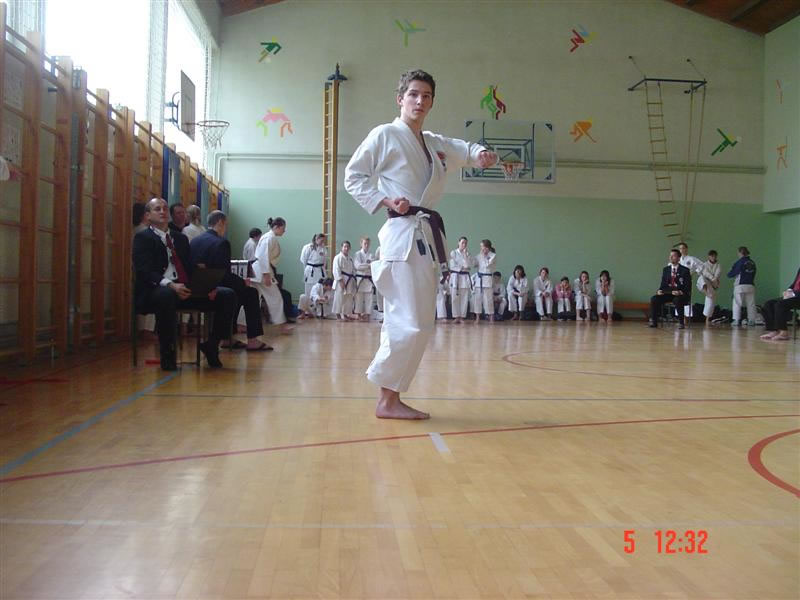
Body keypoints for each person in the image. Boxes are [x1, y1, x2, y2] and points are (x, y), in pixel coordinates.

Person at [344, 68, 497, 419]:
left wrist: (483, 155)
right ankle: (387, 400)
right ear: (400, 99)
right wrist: (385, 200)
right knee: (408, 321)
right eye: (413, 94)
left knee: (420, 321)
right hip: (402, 236)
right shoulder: (385, 134)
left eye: (426, 96)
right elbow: (353, 176)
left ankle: (390, 397)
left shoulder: (433, 142)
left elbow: (466, 150)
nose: (420, 101)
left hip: (424, 235)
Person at [133, 198, 236, 370]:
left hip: (185, 289)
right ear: (148, 215)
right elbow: (144, 271)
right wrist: (170, 285)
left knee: (226, 295)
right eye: (157, 209)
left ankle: (212, 345)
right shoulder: (143, 238)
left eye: (165, 208)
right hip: (158, 289)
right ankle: (168, 354)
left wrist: (207, 287)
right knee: (166, 295)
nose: (162, 211)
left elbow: (189, 267)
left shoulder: (180, 238)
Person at [189, 210, 271, 351]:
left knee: (238, 292)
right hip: (215, 289)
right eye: (225, 225)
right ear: (220, 222)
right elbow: (222, 274)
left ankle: (227, 337)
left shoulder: (195, 241)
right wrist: (242, 282)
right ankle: (252, 340)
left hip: (195, 289)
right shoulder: (221, 243)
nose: (225, 229)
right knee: (250, 293)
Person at [252, 217, 289, 330]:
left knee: (252, 298)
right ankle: (281, 325)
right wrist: (266, 274)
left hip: (259, 270)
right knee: (275, 297)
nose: (284, 231)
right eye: (283, 228)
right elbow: (263, 256)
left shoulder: (269, 237)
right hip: (262, 270)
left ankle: (241, 324)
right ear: (276, 227)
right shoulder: (269, 238)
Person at [650, 248, 691, 328]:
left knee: (677, 300)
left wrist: (680, 292)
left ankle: (681, 322)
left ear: (678, 258)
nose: (671, 257)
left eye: (673, 256)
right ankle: (654, 322)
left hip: (681, 294)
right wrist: (659, 291)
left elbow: (688, 286)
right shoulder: (666, 269)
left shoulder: (685, 270)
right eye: (670, 255)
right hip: (668, 293)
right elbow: (663, 285)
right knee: (654, 299)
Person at [760, 266, 800, 341]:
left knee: (780, 304)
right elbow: (795, 283)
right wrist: (788, 291)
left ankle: (784, 333)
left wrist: (793, 294)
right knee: (769, 304)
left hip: (797, 296)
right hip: (794, 295)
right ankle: (773, 331)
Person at [727, 246, 757, 326]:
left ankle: (736, 320)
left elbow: (732, 274)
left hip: (740, 285)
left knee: (737, 303)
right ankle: (751, 320)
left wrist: (729, 273)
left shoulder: (739, 262)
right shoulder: (752, 263)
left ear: (740, 253)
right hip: (750, 285)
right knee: (751, 303)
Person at [449, 237, 474, 324]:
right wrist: (463, 267)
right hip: (455, 277)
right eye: (462, 242)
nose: (464, 244)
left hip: (464, 278)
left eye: (465, 243)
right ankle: (456, 316)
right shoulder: (453, 253)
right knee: (455, 298)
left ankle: (462, 317)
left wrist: (465, 256)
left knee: (464, 297)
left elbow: (469, 265)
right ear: (458, 242)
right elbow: (452, 265)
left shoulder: (467, 254)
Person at [676, 242, 704, 320]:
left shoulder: (691, 259)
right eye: (680, 248)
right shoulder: (678, 259)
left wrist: (693, 272)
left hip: (687, 281)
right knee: (677, 298)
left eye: (683, 248)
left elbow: (702, 265)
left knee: (686, 298)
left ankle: (686, 317)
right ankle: (681, 317)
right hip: (678, 281)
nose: (681, 250)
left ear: (686, 249)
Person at [332, 240, 357, 320]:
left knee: (348, 298)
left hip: (349, 280)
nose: (346, 248)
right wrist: (340, 280)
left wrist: (354, 279)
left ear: (350, 248)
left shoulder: (350, 258)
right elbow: (336, 270)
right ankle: (337, 313)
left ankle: (346, 313)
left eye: (348, 247)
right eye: (345, 246)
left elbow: (353, 269)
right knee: (339, 297)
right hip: (341, 279)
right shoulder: (338, 257)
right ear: (342, 247)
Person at [353, 236, 376, 321]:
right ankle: (358, 315)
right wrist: (368, 265)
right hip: (360, 279)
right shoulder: (357, 254)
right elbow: (357, 266)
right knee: (359, 298)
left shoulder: (371, 255)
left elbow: (373, 266)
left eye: (368, 244)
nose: (366, 245)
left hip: (368, 279)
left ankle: (368, 315)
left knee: (369, 298)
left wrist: (365, 265)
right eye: (365, 243)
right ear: (361, 244)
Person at [474, 239, 497, 322]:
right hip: (479, 279)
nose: (481, 248)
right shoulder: (478, 255)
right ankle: (477, 317)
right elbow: (474, 265)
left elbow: (487, 265)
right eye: (481, 247)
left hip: (487, 279)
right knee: (477, 299)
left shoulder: (493, 255)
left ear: (487, 247)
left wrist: (483, 256)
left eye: (482, 246)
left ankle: (491, 316)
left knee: (488, 299)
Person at [696, 250, 721, 325]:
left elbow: (717, 274)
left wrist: (714, 281)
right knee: (702, 278)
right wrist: (712, 278)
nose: (713, 257)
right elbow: (705, 273)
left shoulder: (718, 265)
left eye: (715, 256)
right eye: (712, 256)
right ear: (709, 257)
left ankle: (707, 319)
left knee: (711, 300)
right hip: (703, 283)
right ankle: (706, 292)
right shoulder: (704, 264)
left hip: (712, 284)